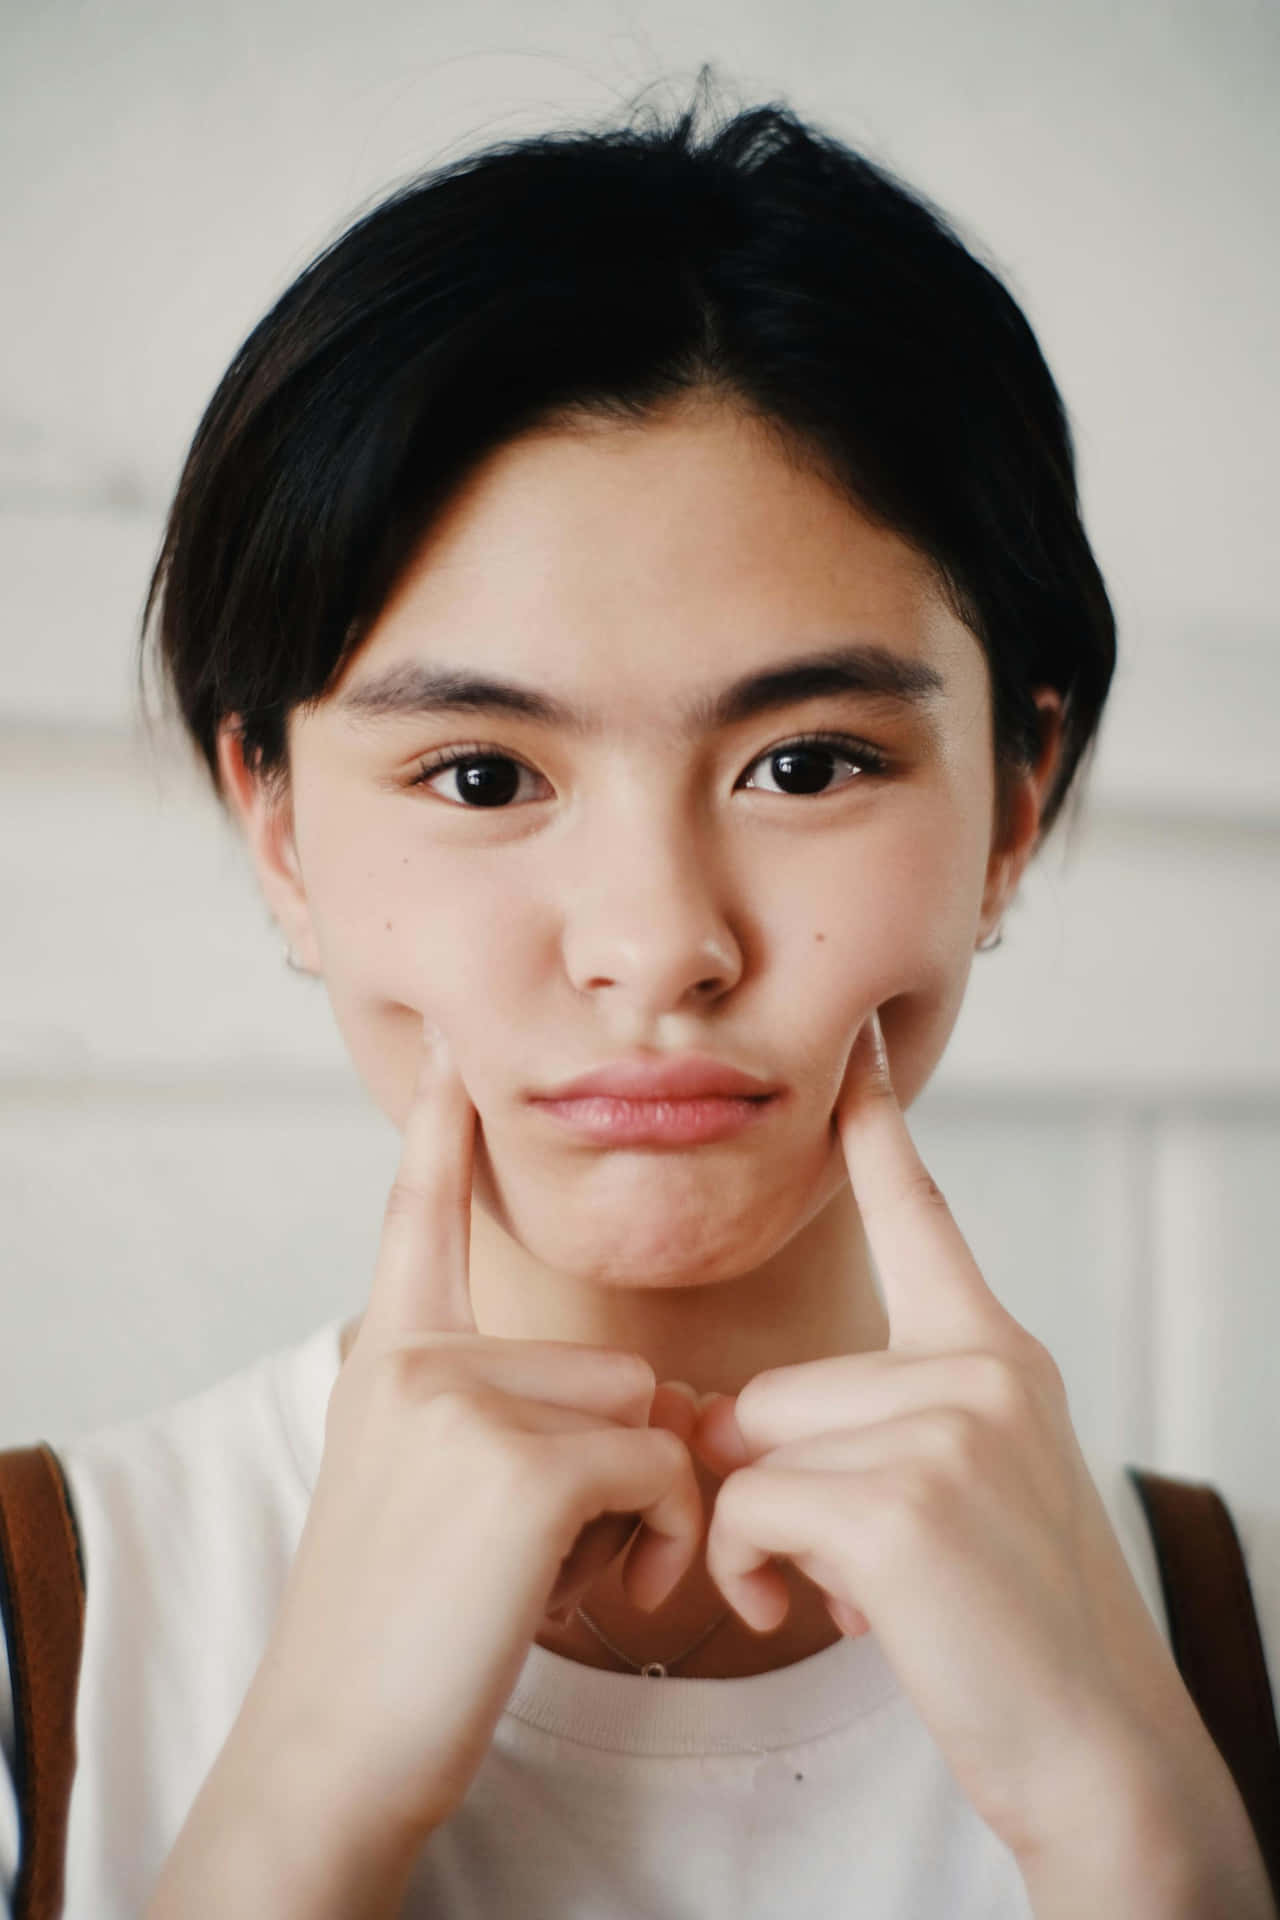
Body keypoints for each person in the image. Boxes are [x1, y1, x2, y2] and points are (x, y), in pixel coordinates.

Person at [2, 77, 1277, 1920]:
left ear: (1014, 801)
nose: (656, 943)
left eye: (809, 762)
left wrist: (1143, 1838)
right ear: (273, 826)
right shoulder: (49, 1617)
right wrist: (297, 1807)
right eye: (480, 777)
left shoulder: (1233, 1655)